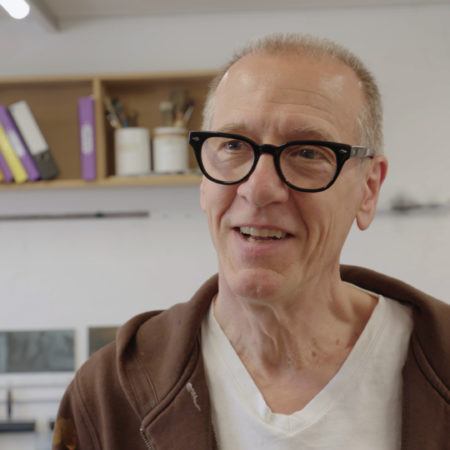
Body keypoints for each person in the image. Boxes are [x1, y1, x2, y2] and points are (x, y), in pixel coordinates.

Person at [52, 34, 449, 450]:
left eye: (308, 152)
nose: (258, 190)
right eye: (233, 146)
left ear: (368, 189)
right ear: (204, 181)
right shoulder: (108, 396)